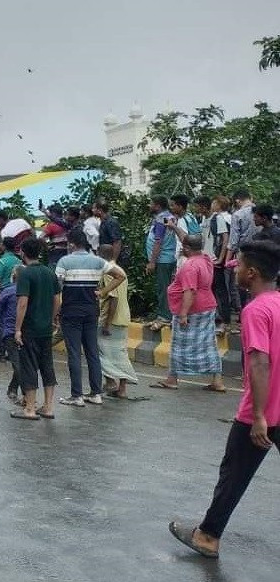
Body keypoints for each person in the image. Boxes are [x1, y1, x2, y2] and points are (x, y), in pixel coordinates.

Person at [169, 239, 280, 559]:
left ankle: (207, 536)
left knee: (233, 475)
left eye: (240, 266)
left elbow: (259, 361)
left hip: (260, 412)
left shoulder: (256, 309)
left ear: (253, 273)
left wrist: (259, 415)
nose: (235, 271)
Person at [56, 229, 124, 407]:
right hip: (91, 310)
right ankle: (96, 393)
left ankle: (76, 395)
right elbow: (120, 276)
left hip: (71, 311)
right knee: (92, 353)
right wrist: (103, 292)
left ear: (71, 243)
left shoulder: (65, 261)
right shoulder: (98, 261)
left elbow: (57, 286)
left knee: (74, 354)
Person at [149, 235, 225, 392]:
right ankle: (217, 380)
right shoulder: (205, 259)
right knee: (209, 343)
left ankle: (172, 379)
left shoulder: (190, 266)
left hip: (192, 310)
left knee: (179, 345)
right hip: (208, 306)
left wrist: (183, 314)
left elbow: (190, 291)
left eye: (184, 246)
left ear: (187, 248)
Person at [10, 237, 61, 421]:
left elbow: (22, 303)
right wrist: (52, 318)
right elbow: (57, 300)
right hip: (45, 328)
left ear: (23, 253)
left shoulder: (25, 274)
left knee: (29, 367)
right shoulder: (49, 272)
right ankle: (48, 407)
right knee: (47, 365)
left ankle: (30, 408)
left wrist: (17, 329)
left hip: (30, 328)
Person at [96, 245, 137, 398]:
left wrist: (106, 323)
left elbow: (113, 298)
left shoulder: (108, 271)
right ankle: (122, 389)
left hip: (111, 318)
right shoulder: (119, 269)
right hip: (123, 316)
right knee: (120, 354)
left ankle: (110, 382)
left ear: (99, 255)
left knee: (102, 353)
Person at [146, 196, 179, 331]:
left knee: (163, 288)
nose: (149, 205)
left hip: (163, 259)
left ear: (158, 206)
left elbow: (158, 241)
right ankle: (166, 315)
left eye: (151, 203)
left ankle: (165, 316)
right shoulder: (168, 217)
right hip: (168, 257)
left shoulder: (161, 219)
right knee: (167, 287)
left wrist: (152, 262)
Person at [0, 266, 23, 403]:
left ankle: (16, 390)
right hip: (22, 332)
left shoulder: (8, 291)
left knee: (19, 365)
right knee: (21, 364)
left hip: (10, 332)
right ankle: (17, 390)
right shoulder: (28, 292)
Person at [204, 196, 233, 334]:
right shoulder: (207, 219)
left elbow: (225, 238)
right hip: (208, 260)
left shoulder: (221, 218)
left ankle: (224, 320)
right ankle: (216, 318)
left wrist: (221, 258)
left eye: (214, 202)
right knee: (212, 289)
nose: (212, 204)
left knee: (219, 290)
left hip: (216, 260)